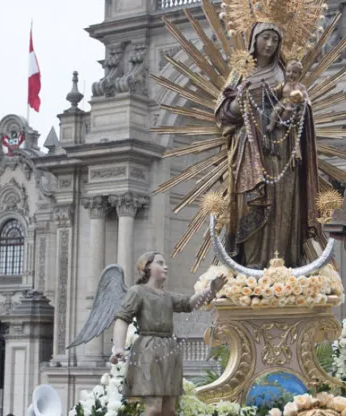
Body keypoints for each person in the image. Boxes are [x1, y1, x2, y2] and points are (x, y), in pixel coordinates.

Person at [216, 22, 321, 270]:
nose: (270, 44)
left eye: (275, 39)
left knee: (282, 206)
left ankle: (282, 262)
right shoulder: (242, 74)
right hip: (250, 150)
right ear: (254, 40)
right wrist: (240, 100)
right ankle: (250, 264)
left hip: (283, 152)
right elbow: (223, 114)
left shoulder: (284, 76)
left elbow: (302, 111)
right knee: (250, 203)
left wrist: (299, 107)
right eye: (265, 38)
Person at [109, 252, 227, 416]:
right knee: (153, 409)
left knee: (169, 410)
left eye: (165, 263)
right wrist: (118, 347)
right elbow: (122, 318)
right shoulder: (137, 292)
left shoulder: (167, 296)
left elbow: (190, 303)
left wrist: (211, 291)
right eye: (160, 263)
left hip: (169, 350)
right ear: (147, 267)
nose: (166, 266)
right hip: (148, 350)